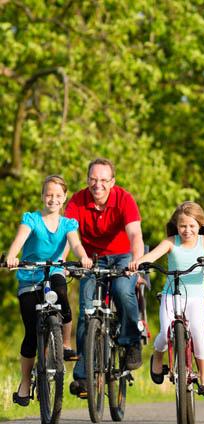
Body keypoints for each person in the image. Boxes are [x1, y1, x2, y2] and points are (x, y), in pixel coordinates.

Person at [6, 175, 92, 407]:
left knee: (62, 296)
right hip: (30, 275)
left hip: (54, 270)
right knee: (31, 334)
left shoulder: (67, 224)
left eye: (58, 195)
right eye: (48, 194)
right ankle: (25, 383)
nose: (53, 199)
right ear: (43, 196)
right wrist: (12, 256)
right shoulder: (32, 219)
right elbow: (20, 240)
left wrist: (82, 256)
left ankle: (64, 344)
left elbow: (75, 243)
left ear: (64, 198)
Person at [65, 158, 144, 397]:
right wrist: (72, 259)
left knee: (122, 290)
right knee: (86, 309)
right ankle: (83, 377)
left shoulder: (124, 199)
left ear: (112, 182)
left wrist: (136, 262)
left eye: (103, 180)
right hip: (92, 258)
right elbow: (70, 234)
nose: (97, 184)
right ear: (87, 179)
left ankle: (131, 341)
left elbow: (135, 234)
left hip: (123, 256)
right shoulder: (78, 200)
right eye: (92, 179)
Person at [133, 201, 204, 396]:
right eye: (183, 226)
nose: (187, 230)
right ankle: (158, 358)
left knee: (199, 331)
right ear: (177, 226)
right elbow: (151, 256)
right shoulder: (170, 242)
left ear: (200, 225)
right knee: (166, 332)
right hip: (171, 295)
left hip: (196, 296)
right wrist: (136, 264)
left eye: (192, 226)